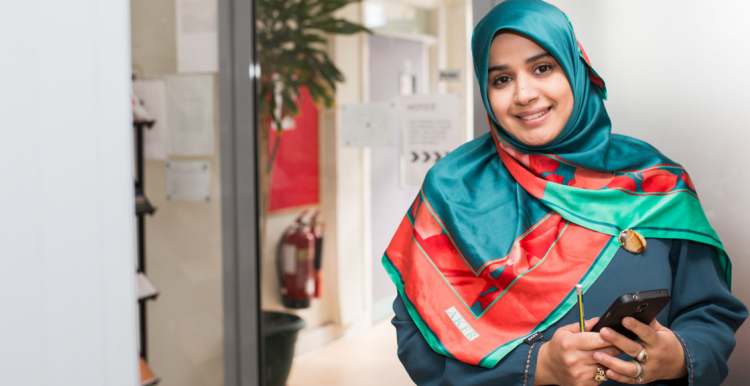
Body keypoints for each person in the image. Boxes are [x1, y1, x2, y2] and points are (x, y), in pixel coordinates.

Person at [381, 1, 747, 385]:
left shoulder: (654, 182)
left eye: (543, 68)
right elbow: (418, 334)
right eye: (501, 79)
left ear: (576, 69)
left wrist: (678, 356)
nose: (523, 94)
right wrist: (536, 368)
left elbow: (710, 312)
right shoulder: (453, 189)